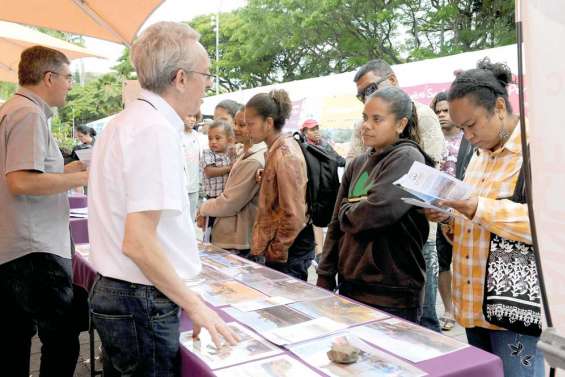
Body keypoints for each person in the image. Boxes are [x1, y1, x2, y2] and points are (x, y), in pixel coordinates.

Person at [88, 22, 237, 376]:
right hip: (141, 297)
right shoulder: (153, 130)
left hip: (128, 293)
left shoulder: (126, 122)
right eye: (206, 74)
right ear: (181, 78)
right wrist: (196, 306)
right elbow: (138, 242)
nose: (209, 84)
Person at [425, 58, 544, 376]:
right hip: (473, 306)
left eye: (472, 124)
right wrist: (449, 218)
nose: (468, 135)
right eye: (462, 127)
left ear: (500, 107)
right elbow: (474, 221)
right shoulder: (477, 155)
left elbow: (546, 226)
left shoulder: (541, 150)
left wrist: (475, 206)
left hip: (513, 310)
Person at [0, 45, 88, 376]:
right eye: (67, 78)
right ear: (49, 77)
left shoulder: (12, 109)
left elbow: (30, 172)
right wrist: (82, 176)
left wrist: (71, 168)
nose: (69, 85)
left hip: (15, 247)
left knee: (13, 342)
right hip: (34, 251)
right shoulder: (29, 114)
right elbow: (21, 181)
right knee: (62, 341)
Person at [317, 86, 433, 323]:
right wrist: (325, 274)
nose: (366, 125)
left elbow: (375, 213)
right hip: (352, 286)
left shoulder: (408, 158)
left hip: (393, 293)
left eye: (377, 119)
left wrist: (347, 211)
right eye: (364, 118)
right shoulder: (357, 164)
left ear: (400, 124)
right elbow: (335, 224)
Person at [347, 59, 445, 332]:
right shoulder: (363, 126)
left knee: (421, 322)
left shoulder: (423, 115)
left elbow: (428, 170)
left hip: (409, 231)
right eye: (361, 95)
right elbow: (356, 164)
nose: (366, 98)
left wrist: (364, 203)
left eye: (370, 88)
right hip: (362, 244)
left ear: (392, 80)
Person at [245, 89, 315, 281]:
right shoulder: (275, 150)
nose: (247, 129)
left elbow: (294, 215)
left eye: (251, 124)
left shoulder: (285, 154)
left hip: (288, 253)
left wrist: (275, 251)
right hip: (283, 250)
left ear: (268, 122)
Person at [196, 110, 267, 258]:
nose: (235, 128)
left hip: (237, 239)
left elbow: (230, 203)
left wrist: (203, 208)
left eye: (242, 125)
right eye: (235, 123)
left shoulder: (253, 160)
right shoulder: (242, 153)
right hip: (228, 231)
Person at [430, 91, 464, 331]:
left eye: (445, 110)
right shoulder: (433, 140)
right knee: (443, 263)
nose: (442, 115)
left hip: (466, 208)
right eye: (438, 111)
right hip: (439, 211)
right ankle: (449, 310)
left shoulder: (469, 138)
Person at [201, 121, 236, 200]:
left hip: (227, 194)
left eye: (218, 138)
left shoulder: (229, 153)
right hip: (213, 196)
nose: (213, 141)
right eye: (210, 138)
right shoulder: (208, 153)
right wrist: (228, 168)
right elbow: (209, 172)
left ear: (228, 140)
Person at [183, 112, 203, 221]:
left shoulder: (198, 136)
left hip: (194, 186)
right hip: (181, 186)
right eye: (189, 115)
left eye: (194, 116)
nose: (192, 119)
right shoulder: (176, 135)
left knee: (190, 220)